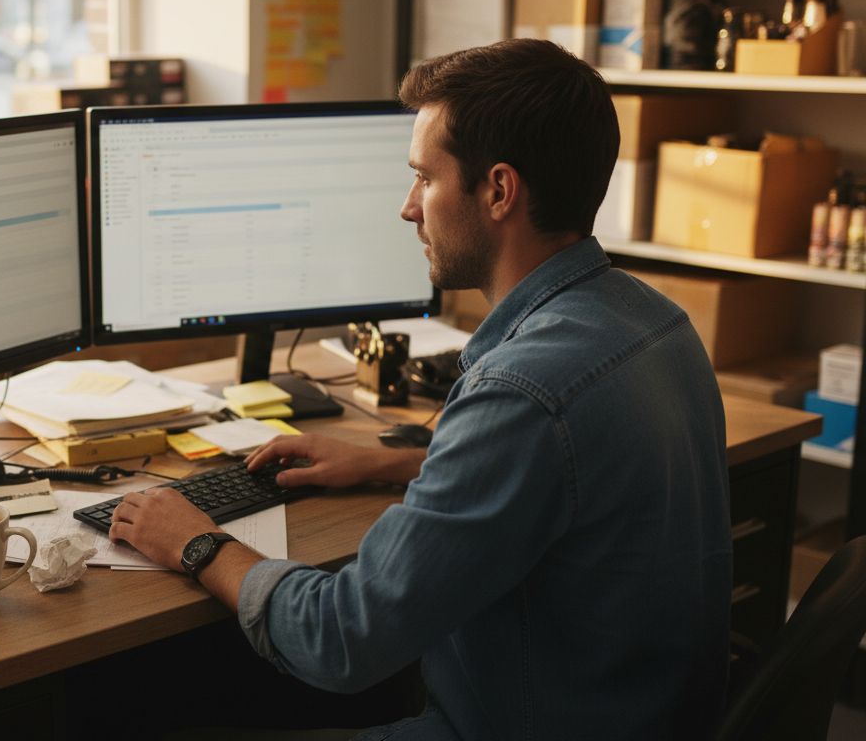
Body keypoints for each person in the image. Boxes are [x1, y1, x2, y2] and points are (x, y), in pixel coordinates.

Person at [107, 39, 732, 740]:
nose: (409, 208)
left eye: (425, 179)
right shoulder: (656, 321)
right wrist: (401, 462)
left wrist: (196, 542)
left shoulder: (521, 392)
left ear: (499, 191)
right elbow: (572, 470)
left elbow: (339, 640)